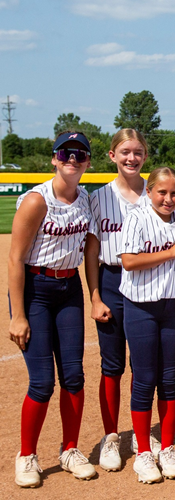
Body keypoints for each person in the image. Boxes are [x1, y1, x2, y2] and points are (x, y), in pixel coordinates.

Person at [10, 131, 97, 488]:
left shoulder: (85, 199)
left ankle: (70, 449)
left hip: (69, 288)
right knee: (43, 382)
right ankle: (27, 455)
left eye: (80, 154)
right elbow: (15, 258)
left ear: (89, 162)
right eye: (66, 153)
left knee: (74, 377)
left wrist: (93, 296)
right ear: (54, 158)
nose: (72, 159)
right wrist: (17, 313)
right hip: (36, 290)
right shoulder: (36, 200)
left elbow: (90, 249)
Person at [119, 167, 175, 483]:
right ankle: (144, 451)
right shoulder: (137, 217)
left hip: (173, 307)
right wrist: (171, 252)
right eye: (162, 192)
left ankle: (167, 448)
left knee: (169, 379)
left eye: (174, 193)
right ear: (149, 191)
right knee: (144, 378)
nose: (168, 199)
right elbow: (128, 260)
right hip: (140, 307)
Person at [85, 129, 160, 472]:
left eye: (138, 152)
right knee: (112, 364)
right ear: (112, 155)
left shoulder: (157, 193)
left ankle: (141, 433)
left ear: (146, 155)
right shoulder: (98, 197)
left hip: (149, 281)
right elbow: (92, 250)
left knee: (145, 365)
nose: (132, 158)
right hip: (113, 280)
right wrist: (95, 296)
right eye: (125, 152)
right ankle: (111, 435)